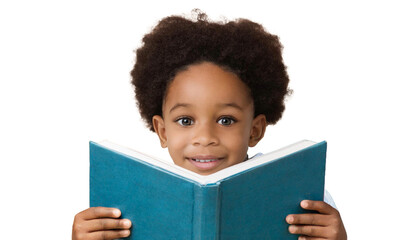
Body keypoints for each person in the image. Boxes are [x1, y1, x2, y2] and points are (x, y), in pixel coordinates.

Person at [72, 10, 347, 240]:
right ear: (163, 130)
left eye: (226, 120)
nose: (204, 137)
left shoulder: (304, 198)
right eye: (185, 121)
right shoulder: (123, 205)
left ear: (255, 130)